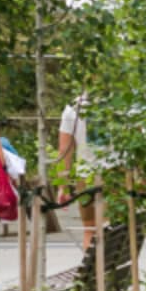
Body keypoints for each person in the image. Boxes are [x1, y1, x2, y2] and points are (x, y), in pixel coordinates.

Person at [57, 95, 98, 250]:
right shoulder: (121, 101)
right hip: (116, 173)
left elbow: (64, 151)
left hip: (86, 175)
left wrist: (63, 185)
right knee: (116, 227)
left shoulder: (72, 108)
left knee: (90, 229)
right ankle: (110, 272)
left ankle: (92, 271)